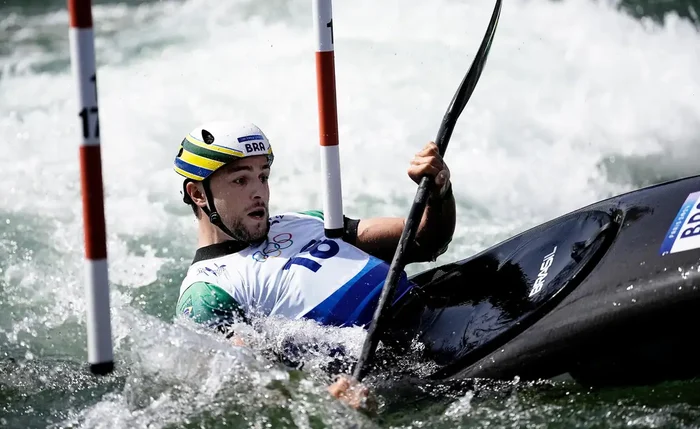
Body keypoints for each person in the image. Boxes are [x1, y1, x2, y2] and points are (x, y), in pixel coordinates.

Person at [173, 120, 456, 410]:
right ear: (197, 194)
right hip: (401, 370)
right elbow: (252, 393)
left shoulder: (306, 221)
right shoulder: (208, 290)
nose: (259, 192)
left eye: (263, 176)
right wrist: (323, 405)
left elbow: (426, 240)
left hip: (438, 314)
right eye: (241, 180)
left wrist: (438, 192)